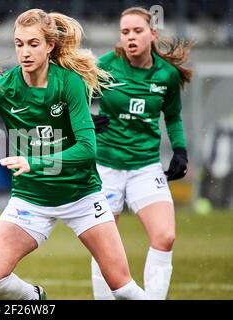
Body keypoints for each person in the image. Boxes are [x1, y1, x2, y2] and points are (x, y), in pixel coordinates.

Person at [0, 9, 147, 300]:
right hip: (31, 200)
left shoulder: (68, 83)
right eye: (19, 43)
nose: (25, 51)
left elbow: (88, 149)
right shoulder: (2, 88)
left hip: (82, 197)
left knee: (123, 289)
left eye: (33, 44)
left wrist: (33, 161)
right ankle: (35, 300)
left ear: (50, 46)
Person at [90, 7, 193, 300]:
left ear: (152, 34)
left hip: (145, 167)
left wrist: (180, 151)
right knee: (103, 245)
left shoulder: (167, 75)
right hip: (106, 167)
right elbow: (73, 97)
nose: (131, 37)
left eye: (137, 31)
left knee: (165, 236)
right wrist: (86, 118)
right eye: (125, 32)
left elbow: (172, 117)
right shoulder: (104, 66)